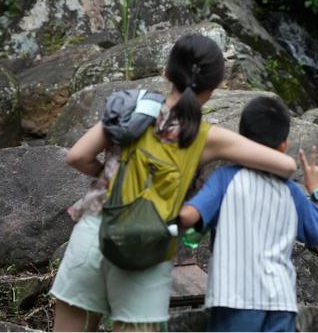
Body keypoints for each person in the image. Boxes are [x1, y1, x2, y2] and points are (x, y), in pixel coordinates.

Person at [49, 35, 298, 332]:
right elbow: (286, 165)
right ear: (215, 86)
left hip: (92, 235)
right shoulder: (207, 137)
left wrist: (110, 172)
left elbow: (77, 156)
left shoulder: (131, 107)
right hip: (146, 252)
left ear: (166, 73)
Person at [179, 96, 318, 332]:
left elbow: (188, 217)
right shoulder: (291, 192)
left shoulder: (225, 179)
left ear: (241, 140)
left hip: (234, 299)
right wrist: (317, 191)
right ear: (284, 145)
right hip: (281, 303)